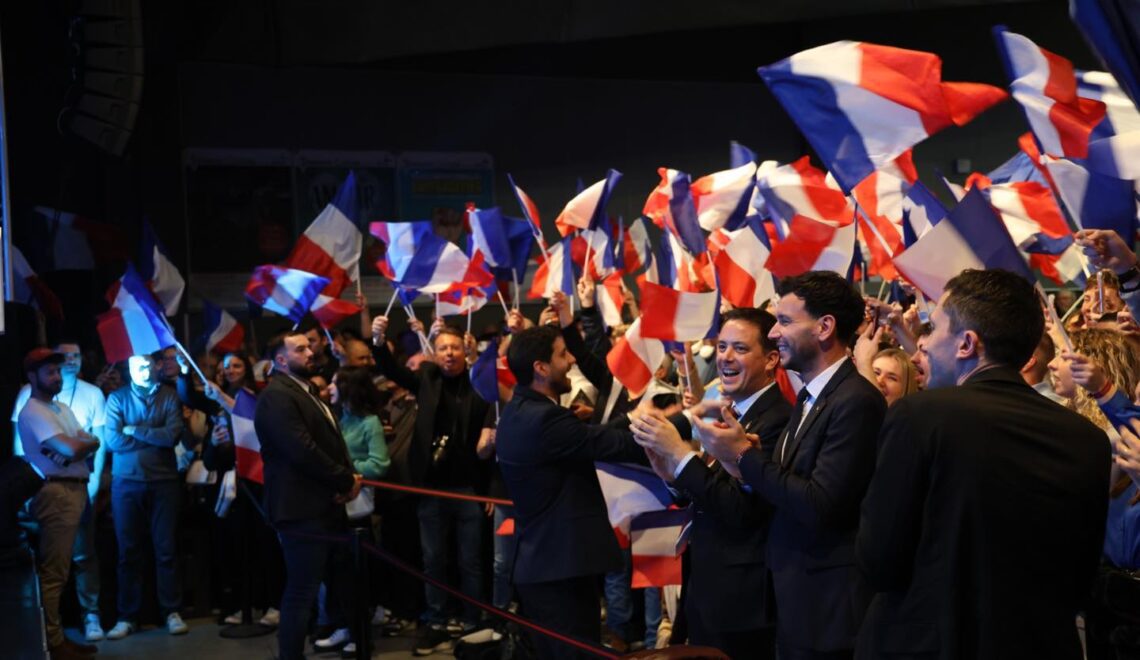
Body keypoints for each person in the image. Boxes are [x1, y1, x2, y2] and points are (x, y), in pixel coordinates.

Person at [855, 269, 1110, 659]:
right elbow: (1079, 577)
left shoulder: (920, 416)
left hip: (931, 643)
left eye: (934, 328)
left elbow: (879, 558)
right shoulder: (1087, 438)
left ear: (966, 344)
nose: (923, 342)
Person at [695, 271, 887, 659]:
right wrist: (740, 463)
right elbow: (785, 483)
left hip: (828, 612)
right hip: (796, 602)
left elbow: (820, 505)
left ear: (824, 327)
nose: (773, 334)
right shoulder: (811, 396)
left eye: (784, 321)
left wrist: (745, 457)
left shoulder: (856, 401)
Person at [630, 308, 792, 660]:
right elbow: (710, 491)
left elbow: (740, 510)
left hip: (742, 599)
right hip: (710, 589)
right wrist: (670, 474)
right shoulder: (730, 411)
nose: (726, 357)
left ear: (771, 359)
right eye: (721, 347)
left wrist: (680, 454)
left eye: (740, 348)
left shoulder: (776, 419)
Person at [496, 323, 648, 659]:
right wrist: (686, 420)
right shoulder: (546, 420)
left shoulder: (519, 411)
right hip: (558, 570)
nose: (571, 362)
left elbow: (588, 438)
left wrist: (634, 415)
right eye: (563, 354)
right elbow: (612, 444)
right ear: (541, 368)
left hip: (544, 565)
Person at [370, 314, 493, 655]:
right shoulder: (427, 377)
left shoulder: (479, 382)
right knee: (433, 559)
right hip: (430, 488)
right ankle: (436, 622)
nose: (449, 353)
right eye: (443, 348)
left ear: (465, 351)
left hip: (469, 486)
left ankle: (473, 622)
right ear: (434, 353)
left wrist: (491, 490)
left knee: (471, 560)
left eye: (455, 347)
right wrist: (378, 343)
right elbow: (393, 372)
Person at [254, 331, 362, 660]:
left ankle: (352, 637)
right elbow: (301, 449)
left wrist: (341, 483)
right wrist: (344, 479)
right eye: (299, 349)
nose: (310, 352)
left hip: (324, 504)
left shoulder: (307, 389)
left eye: (309, 345)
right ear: (281, 360)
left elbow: (326, 442)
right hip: (301, 509)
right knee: (302, 590)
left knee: (339, 581)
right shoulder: (277, 395)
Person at [9, 341, 108, 642]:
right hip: (56, 493)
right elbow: (72, 445)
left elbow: (87, 442)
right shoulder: (33, 409)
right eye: (49, 372)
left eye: (57, 370)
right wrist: (78, 446)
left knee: (73, 562)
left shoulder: (60, 407)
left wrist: (80, 445)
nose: (57, 376)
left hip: (76, 489)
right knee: (55, 572)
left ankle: (60, 636)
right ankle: (52, 640)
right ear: (32, 376)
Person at [104, 351, 189, 639]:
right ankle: (128, 616)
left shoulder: (169, 395)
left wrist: (134, 429)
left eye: (146, 364)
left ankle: (171, 611)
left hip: (164, 481)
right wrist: (152, 435)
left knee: (166, 549)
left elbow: (172, 436)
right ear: (128, 368)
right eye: (135, 365)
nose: (141, 369)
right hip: (127, 483)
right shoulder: (117, 398)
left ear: (155, 366)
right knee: (128, 551)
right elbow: (114, 441)